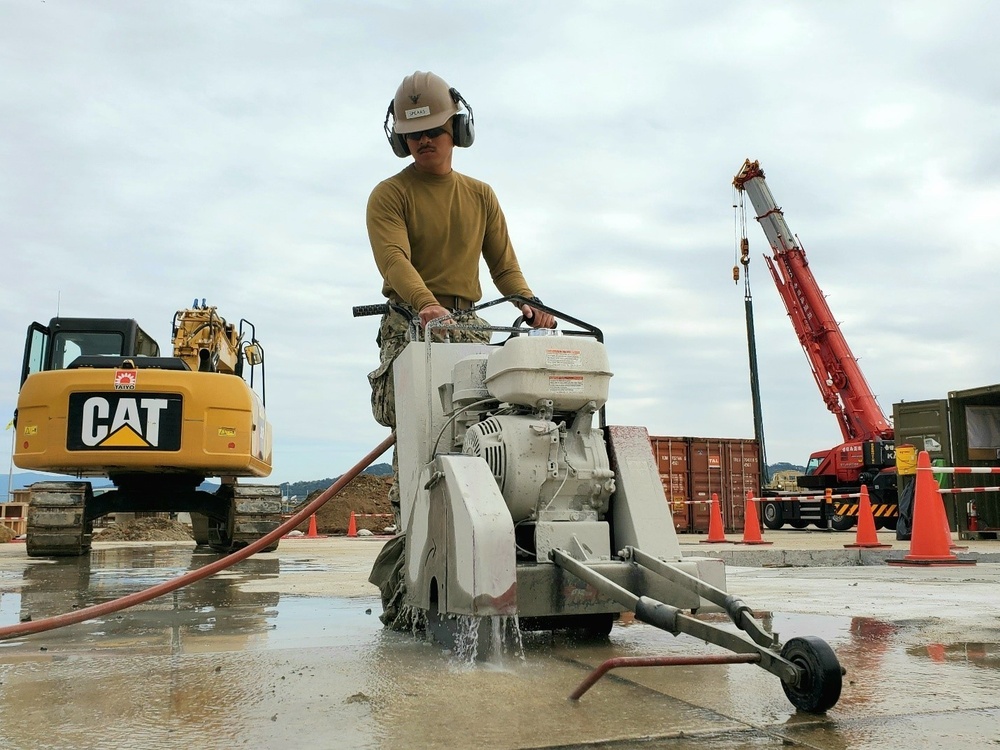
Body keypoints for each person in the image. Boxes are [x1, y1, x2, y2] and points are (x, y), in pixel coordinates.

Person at [365, 70, 554, 626]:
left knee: (491, 441)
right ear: (400, 138)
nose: (426, 141)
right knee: (425, 451)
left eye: (437, 130)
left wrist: (528, 303)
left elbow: (504, 267)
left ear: (458, 128)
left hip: (470, 327)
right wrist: (425, 306)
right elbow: (394, 260)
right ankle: (411, 586)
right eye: (414, 134)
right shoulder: (389, 195)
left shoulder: (481, 196)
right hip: (412, 325)